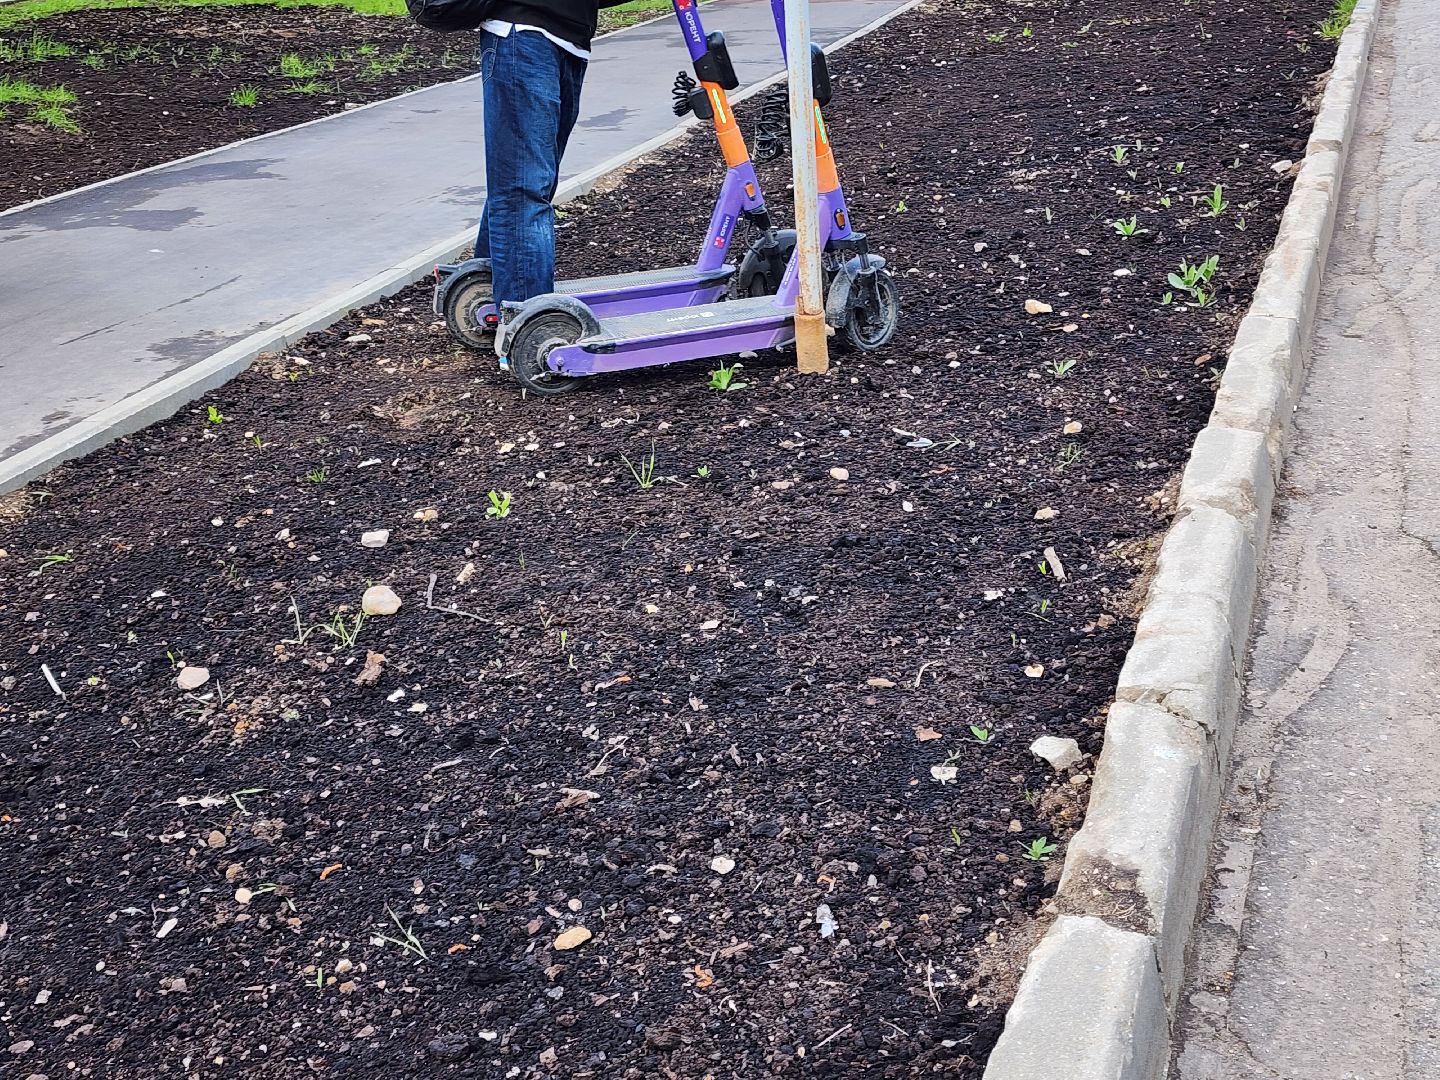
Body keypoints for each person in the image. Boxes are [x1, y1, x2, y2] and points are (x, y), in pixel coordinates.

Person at [474, 0, 629, 316]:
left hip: (566, 37)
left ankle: (484, 289)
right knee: (524, 187)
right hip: (524, 32)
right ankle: (526, 324)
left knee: (525, 179)